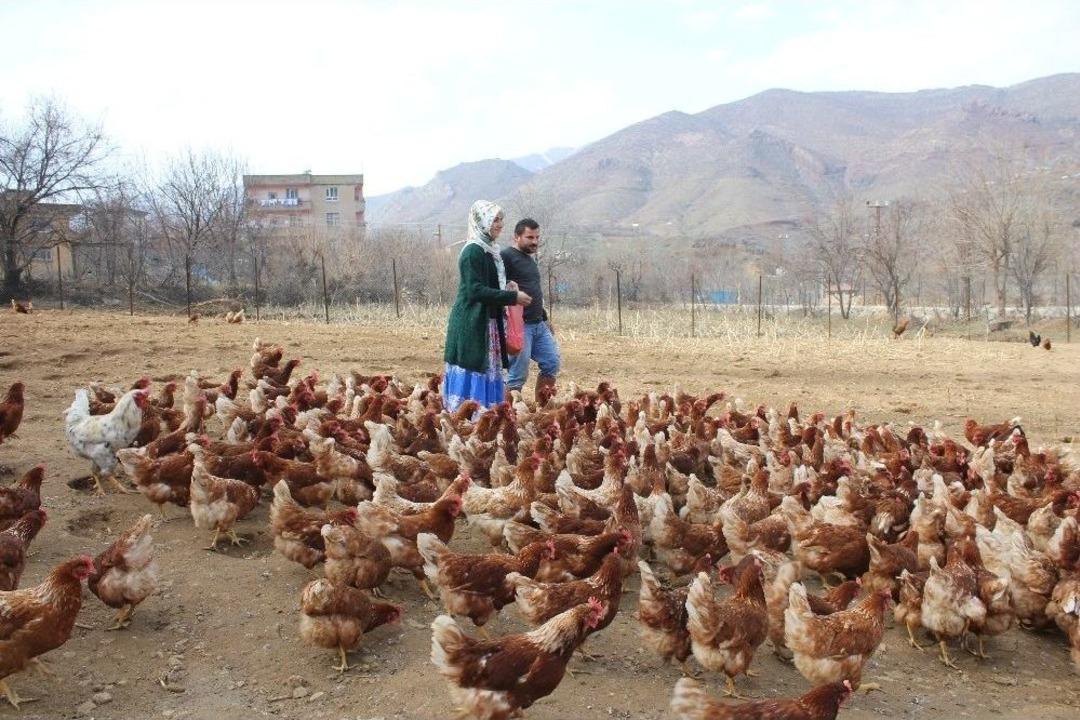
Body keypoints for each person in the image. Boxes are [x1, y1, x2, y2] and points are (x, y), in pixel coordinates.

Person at [442, 200, 531, 413]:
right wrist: (512, 297)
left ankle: (484, 416)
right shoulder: (473, 251)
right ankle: (468, 415)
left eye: (501, 220)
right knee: (474, 366)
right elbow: (475, 291)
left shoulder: (488, 250)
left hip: (486, 321)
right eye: (495, 220)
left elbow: (487, 285)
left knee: (486, 368)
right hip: (472, 322)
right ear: (482, 222)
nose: (500, 224)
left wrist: (505, 287)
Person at [500, 218, 561, 401]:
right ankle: (506, 415)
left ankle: (543, 410)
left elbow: (534, 290)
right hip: (519, 325)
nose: (534, 241)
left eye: (537, 237)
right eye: (529, 237)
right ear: (516, 237)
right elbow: (497, 285)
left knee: (551, 362)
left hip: (538, 324)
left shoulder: (529, 260)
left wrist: (544, 318)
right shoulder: (506, 257)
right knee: (517, 373)